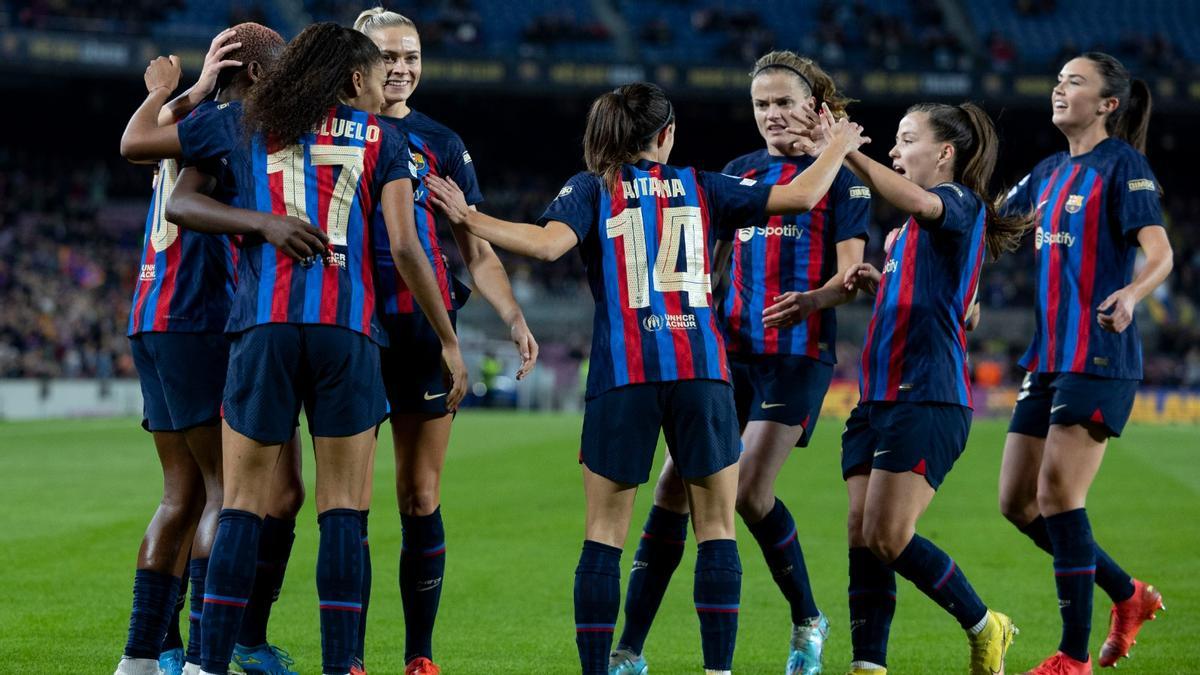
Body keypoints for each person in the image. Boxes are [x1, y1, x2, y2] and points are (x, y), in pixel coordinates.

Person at [425, 82, 868, 675]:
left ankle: (605, 666)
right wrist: (837, 146)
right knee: (716, 530)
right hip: (703, 374)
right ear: (665, 135)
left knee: (605, 534)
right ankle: (717, 671)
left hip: (624, 376)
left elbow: (546, 246)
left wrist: (469, 215)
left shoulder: (591, 189)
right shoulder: (704, 185)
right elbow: (803, 196)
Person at [162, 22, 467, 675]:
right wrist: (447, 337)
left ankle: (205, 664)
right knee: (344, 513)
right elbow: (409, 248)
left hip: (264, 329)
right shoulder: (384, 136)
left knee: (243, 505)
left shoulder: (243, 121)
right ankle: (340, 666)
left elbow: (150, 162)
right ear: (352, 78)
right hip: (348, 334)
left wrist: (191, 94)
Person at [609, 52, 870, 675]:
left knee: (750, 491)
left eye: (784, 102)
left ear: (814, 105)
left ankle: (808, 619)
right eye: (762, 105)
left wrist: (813, 299)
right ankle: (628, 652)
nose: (773, 115)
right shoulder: (739, 172)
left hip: (795, 357)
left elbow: (850, 276)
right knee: (672, 488)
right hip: (726, 356)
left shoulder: (844, 177)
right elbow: (711, 263)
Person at [351, 10, 539, 674]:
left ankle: (418, 656)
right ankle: (348, 657)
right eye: (387, 55)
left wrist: (513, 316)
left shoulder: (442, 142)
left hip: (425, 332)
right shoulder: (335, 129)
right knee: (350, 501)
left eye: (412, 55)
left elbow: (477, 249)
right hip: (352, 330)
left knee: (420, 496)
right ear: (358, 57)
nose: (401, 67)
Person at [816, 100, 1032, 675]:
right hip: (878, 397)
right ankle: (869, 665)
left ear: (944, 153)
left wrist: (847, 151)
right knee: (863, 535)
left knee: (889, 536)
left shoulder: (956, 202)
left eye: (906, 139)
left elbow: (915, 201)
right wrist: (873, 284)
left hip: (928, 395)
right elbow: (951, 304)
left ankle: (987, 624)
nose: (894, 149)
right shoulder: (909, 235)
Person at [113, 24, 301, 675]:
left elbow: (140, 138)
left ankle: (141, 657)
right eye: (281, 75)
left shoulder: (186, 119)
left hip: (151, 316)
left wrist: (175, 89)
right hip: (199, 318)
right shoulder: (227, 125)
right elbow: (139, 146)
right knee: (227, 493)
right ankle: (200, 658)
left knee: (180, 495)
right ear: (256, 76)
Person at [998, 52, 1172, 675]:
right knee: (1017, 503)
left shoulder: (1124, 167)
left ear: (1107, 104)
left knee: (1058, 493)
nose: (1058, 88)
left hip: (1098, 353)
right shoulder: (1044, 172)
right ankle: (1128, 596)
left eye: (1075, 82)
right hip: (1046, 358)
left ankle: (1072, 659)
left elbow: (1161, 253)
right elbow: (986, 226)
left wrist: (1131, 293)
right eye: (1058, 80)